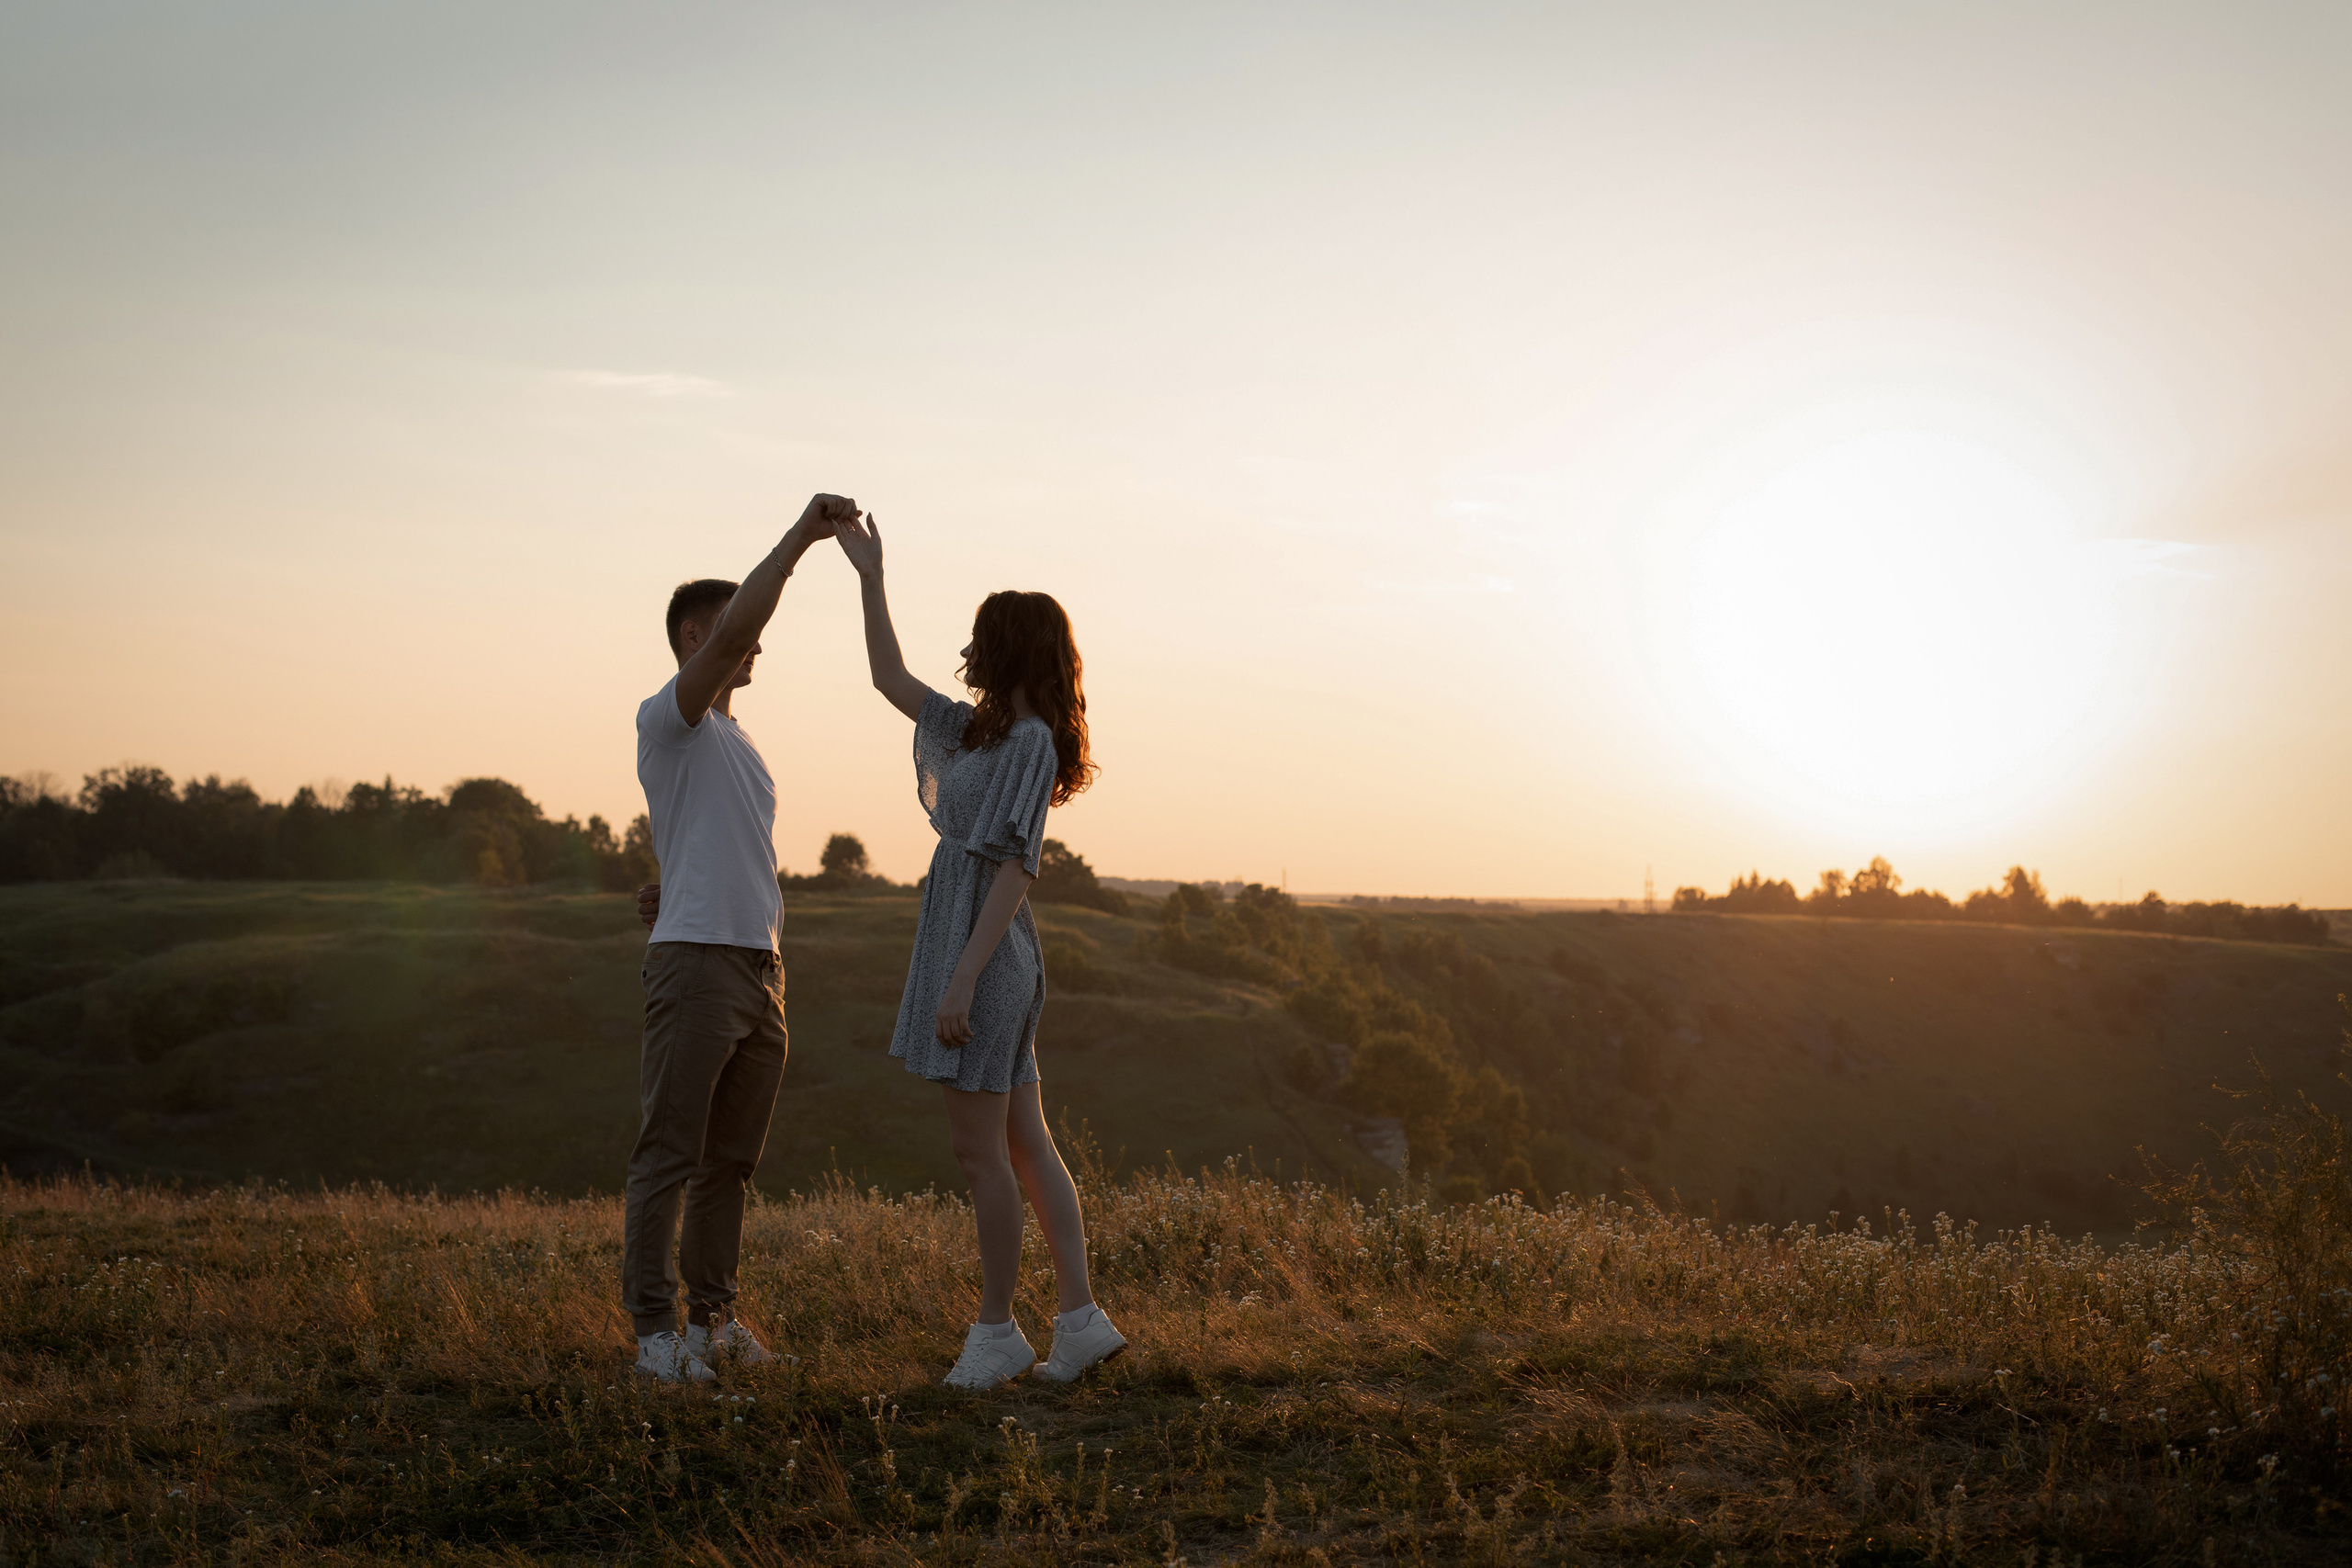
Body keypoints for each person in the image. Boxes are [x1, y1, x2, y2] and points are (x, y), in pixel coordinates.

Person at [831, 513, 1127, 1388]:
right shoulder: (975, 732)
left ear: (1007, 648)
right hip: (981, 949)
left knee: (981, 1151)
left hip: (988, 954)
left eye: (980, 639)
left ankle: (998, 1331)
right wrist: (869, 575)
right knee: (1027, 1140)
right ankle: (1078, 1320)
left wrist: (962, 975)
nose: (968, 652)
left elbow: (1015, 865)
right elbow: (888, 677)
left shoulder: (1029, 743)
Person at [623, 491, 856, 1383]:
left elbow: (710, 844)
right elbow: (733, 638)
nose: (755, 640)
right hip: (699, 968)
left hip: (761, 971)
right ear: (694, 638)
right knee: (669, 1154)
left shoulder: (737, 741)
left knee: (730, 1164)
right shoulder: (666, 716)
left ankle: (713, 1322)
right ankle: (654, 1338)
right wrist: (799, 540)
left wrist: (667, 887)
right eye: (734, 628)